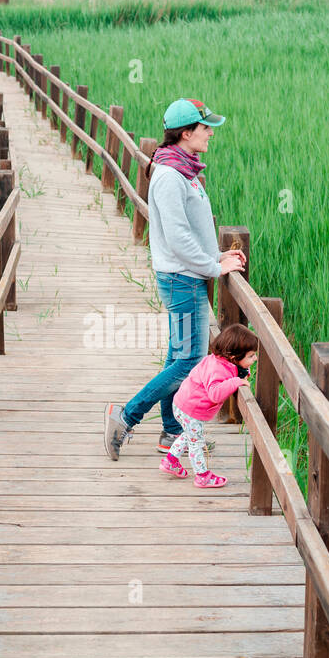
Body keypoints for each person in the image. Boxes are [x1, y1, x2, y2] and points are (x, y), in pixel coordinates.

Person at [103, 97, 247, 460]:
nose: (210, 133)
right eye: (204, 127)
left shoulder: (183, 169)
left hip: (188, 275)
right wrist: (214, 268)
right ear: (186, 133)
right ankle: (125, 416)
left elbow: (191, 234)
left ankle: (171, 431)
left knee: (176, 358)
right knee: (188, 362)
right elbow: (177, 237)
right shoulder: (170, 176)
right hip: (182, 280)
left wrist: (217, 256)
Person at [160, 324, 259, 488]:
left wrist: (240, 374)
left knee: (188, 435)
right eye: (251, 356)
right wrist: (236, 381)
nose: (254, 359)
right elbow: (215, 393)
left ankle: (170, 460)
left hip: (183, 404)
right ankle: (202, 476)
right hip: (191, 410)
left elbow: (232, 373)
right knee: (196, 442)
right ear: (233, 357)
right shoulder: (218, 370)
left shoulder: (220, 361)